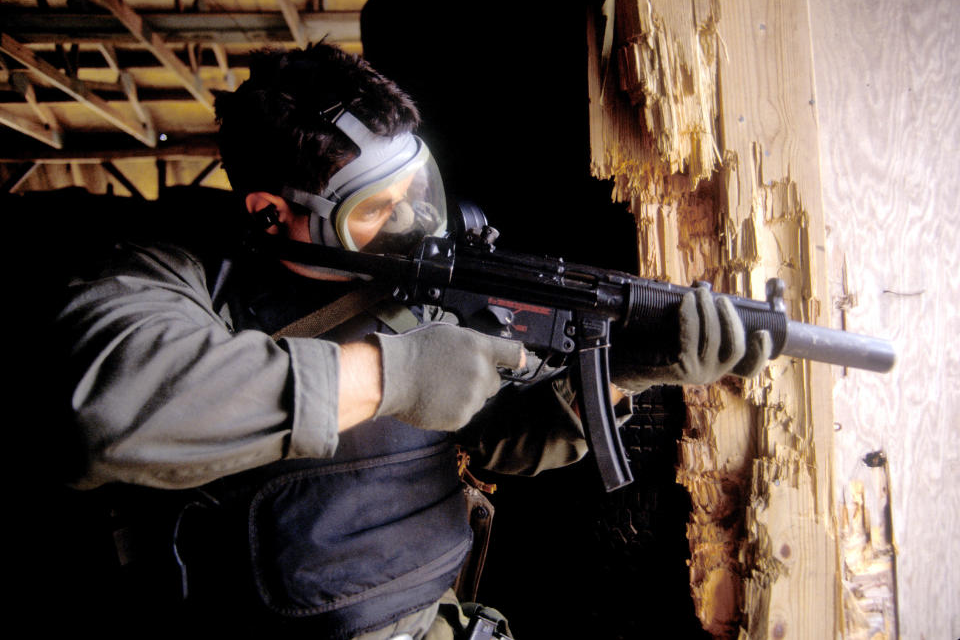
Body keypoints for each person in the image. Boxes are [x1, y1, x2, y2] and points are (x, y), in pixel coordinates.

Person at [52, 43, 770, 638]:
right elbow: (114, 413)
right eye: (375, 207)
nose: (414, 220)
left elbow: (498, 445)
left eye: (415, 186)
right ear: (272, 213)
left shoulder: (423, 273)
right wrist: (386, 375)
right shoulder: (176, 266)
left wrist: (625, 371)